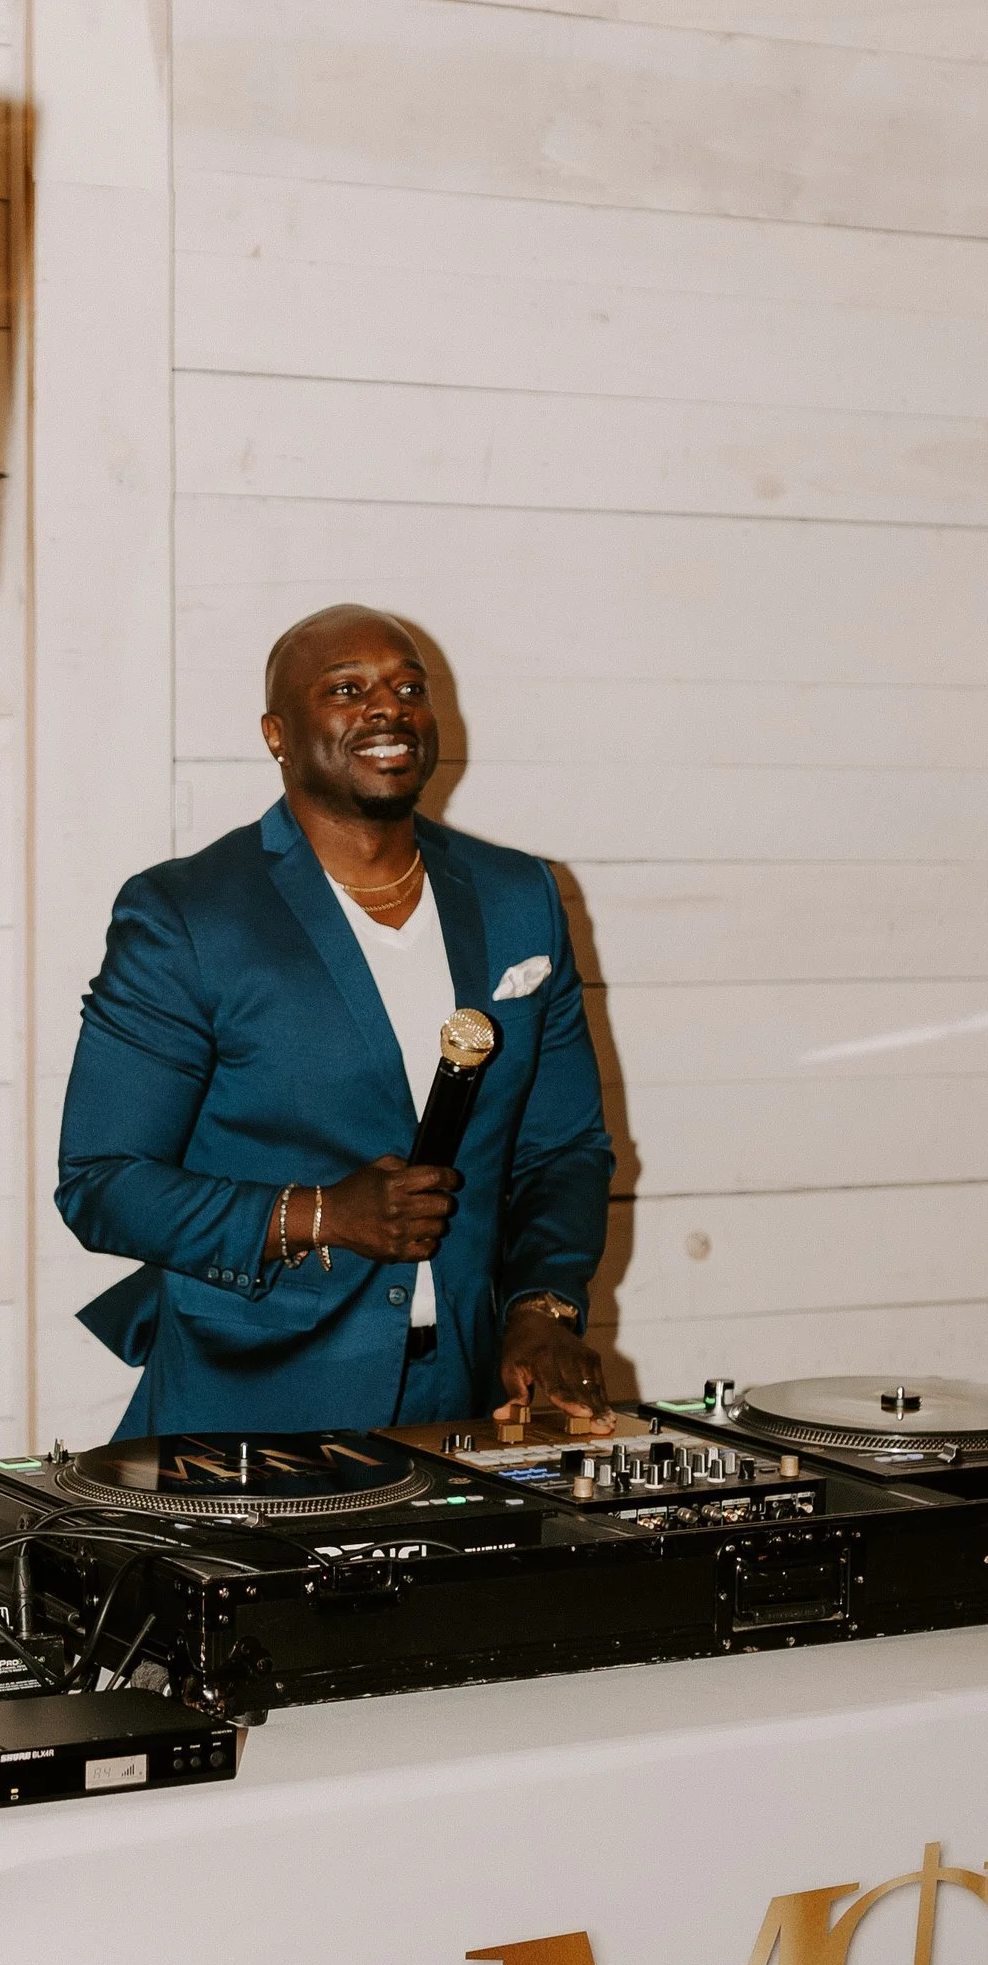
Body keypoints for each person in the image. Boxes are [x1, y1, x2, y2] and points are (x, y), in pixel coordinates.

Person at [57, 607, 615, 1433]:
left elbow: (562, 1150)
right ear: (277, 735)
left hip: (464, 1397)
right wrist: (323, 1215)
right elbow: (102, 1183)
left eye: (409, 689)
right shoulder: (188, 915)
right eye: (347, 690)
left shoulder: (518, 897)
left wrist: (541, 1307)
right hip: (254, 1405)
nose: (388, 707)